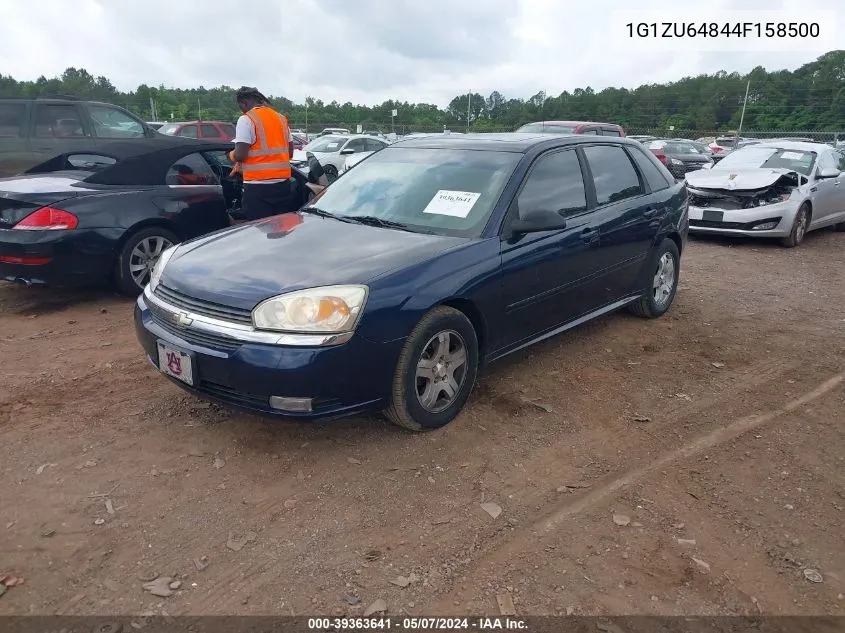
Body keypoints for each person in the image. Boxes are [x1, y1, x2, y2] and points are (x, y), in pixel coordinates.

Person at [229, 86, 295, 221]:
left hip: (257, 188)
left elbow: (241, 155)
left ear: (244, 103)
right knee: (280, 229)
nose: (242, 110)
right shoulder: (281, 119)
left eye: (240, 107)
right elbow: (290, 153)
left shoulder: (246, 119)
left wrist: (231, 155)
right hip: (283, 186)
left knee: (259, 233)